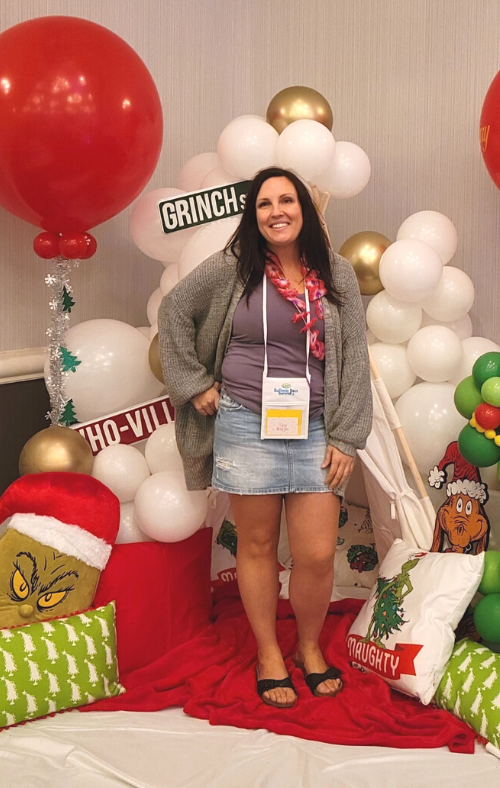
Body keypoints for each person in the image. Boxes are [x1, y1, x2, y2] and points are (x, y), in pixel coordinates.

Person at [159, 167, 372, 709]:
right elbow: (175, 311)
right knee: (256, 547)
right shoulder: (235, 268)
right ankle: (268, 653)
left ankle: (307, 646)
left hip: (317, 426)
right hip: (245, 423)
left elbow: (356, 359)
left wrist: (346, 437)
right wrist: (194, 384)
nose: (276, 211)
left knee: (317, 554)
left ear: (304, 208)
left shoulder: (337, 273)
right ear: (253, 216)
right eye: (263, 204)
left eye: (287, 200)